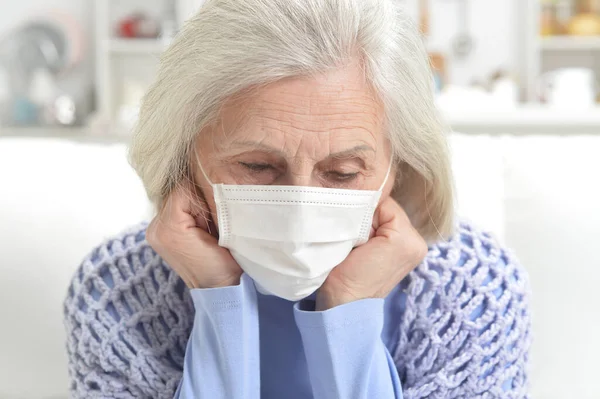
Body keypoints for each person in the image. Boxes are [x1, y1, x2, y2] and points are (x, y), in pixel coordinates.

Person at [63, 0, 531, 397]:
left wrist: (348, 312)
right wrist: (220, 306)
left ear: (398, 169)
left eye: (343, 172)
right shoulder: (115, 294)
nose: (300, 206)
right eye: (257, 167)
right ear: (185, 159)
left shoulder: (472, 294)